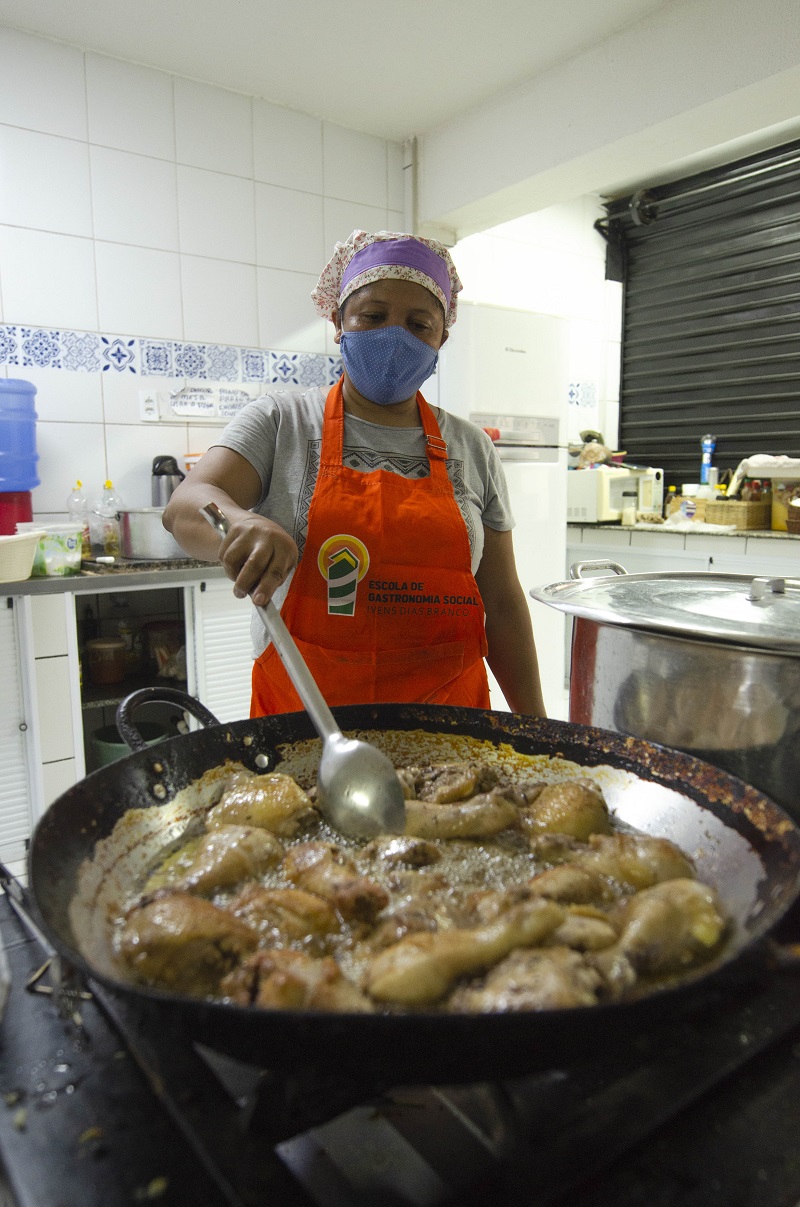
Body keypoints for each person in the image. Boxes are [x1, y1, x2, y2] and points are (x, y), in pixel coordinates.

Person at [163, 229, 546, 718]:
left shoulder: (470, 448)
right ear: (339, 322)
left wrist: (538, 731)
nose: (395, 336)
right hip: (311, 725)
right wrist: (238, 522)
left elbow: (503, 600)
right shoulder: (281, 422)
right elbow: (185, 504)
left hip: (451, 722)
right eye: (374, 316)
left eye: (418, 324)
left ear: (440, 338)